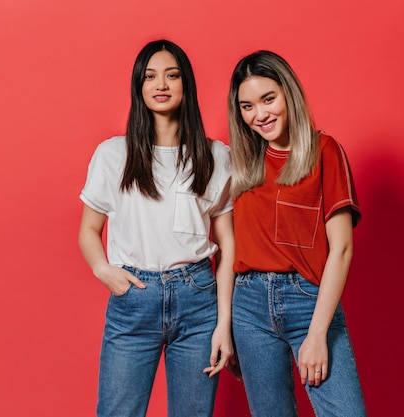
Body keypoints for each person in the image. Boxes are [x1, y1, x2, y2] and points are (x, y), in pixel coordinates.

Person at [78, 39, 234, 417]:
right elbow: (88, 230)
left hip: (198, 300)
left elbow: (228, 246)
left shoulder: (216, 156)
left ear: (186, 85)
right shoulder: (114, 154)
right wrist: (104, 270)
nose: (161, 84)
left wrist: (224, 325)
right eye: (150, 76)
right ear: (139, 86)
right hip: (134, 299)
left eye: (171, 75)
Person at [227, 50, 367, 417]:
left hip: (309, 302)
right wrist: (224, 324)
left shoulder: (325, 152)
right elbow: (225, 250)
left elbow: (341, 250)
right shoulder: (240, 166)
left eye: (268, 99)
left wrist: (318, 332)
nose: (260, 114)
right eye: (247, 106)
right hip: (248, 307)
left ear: (288, 93)